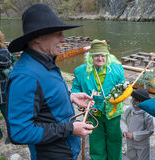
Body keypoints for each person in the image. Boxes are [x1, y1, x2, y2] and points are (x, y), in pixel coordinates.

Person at [6, 4, 95, 160]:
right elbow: (19, 132)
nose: (63, 39)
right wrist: (69, 129)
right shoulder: (25, 76)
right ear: (37, 38)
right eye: (58, 34)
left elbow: (44, 97)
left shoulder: (44, 61)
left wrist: (70, 96)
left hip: (67, 149)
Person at [71, 39, 125, 160]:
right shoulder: (80, 71)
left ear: (107, 56)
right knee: (96, 141)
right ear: (91, 57)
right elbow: (75, 90)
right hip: (92, 112)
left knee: (115, 139)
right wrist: (80, 101)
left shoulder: (117, 68)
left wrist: (120, 95)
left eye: (103, 55)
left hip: (113, 112)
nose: (100, 58)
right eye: (96, 56)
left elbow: (124, 87)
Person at [121, 88, 154, 160]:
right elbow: (123, 120)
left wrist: (134, 135)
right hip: (130, 142)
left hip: (142, 144)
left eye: (138, 102)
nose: (135, 104)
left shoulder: (147, 115)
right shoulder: (129, 110)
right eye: (134, 101)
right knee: (130, 157)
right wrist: (124, 130)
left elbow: (150, 131)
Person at [0, 29, 11, 143]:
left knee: (6, 113)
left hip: (2, 88)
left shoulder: (3, 50)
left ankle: (11, 135)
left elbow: (5, 62)